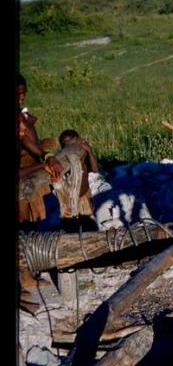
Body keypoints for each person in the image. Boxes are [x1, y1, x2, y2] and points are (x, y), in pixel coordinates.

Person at [17, 73, 63, 311]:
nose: (21, 98)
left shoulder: (21, 118)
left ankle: (27, 274)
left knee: (29, 226)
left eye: (23, 94)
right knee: (22, 228)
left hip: (25, 182)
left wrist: (46, 155)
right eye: (18, 95)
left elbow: (26, 137)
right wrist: (42, 163)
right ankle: (24, 278)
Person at [58, 129, 99, 232]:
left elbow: (95, 169)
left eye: (69, 141)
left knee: (88, 222)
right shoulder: (64, 157)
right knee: (70, 224)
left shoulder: (82, 153)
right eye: (64, 143)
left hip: (84, 194)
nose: (67, 146)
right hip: (69, 197)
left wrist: (89, 151)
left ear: (77, 140)